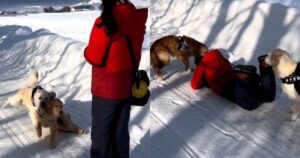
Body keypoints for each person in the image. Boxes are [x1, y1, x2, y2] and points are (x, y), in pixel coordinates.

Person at [84, 0, 148, 157]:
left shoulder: (105, 22)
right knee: (120, 134)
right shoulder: (137, 18)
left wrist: (86, 50)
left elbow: (94, 57)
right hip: (127, 87)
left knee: (101, 136)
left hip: (106, 90)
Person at [191, 49, 276, 110]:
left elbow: (194, 85)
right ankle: (264, 67)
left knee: (251, 103)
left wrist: (200, 73)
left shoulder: (203, 64)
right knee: (268, 96)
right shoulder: (218, 56)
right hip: (236, 78)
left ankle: (243, 74)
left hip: (228, 86)